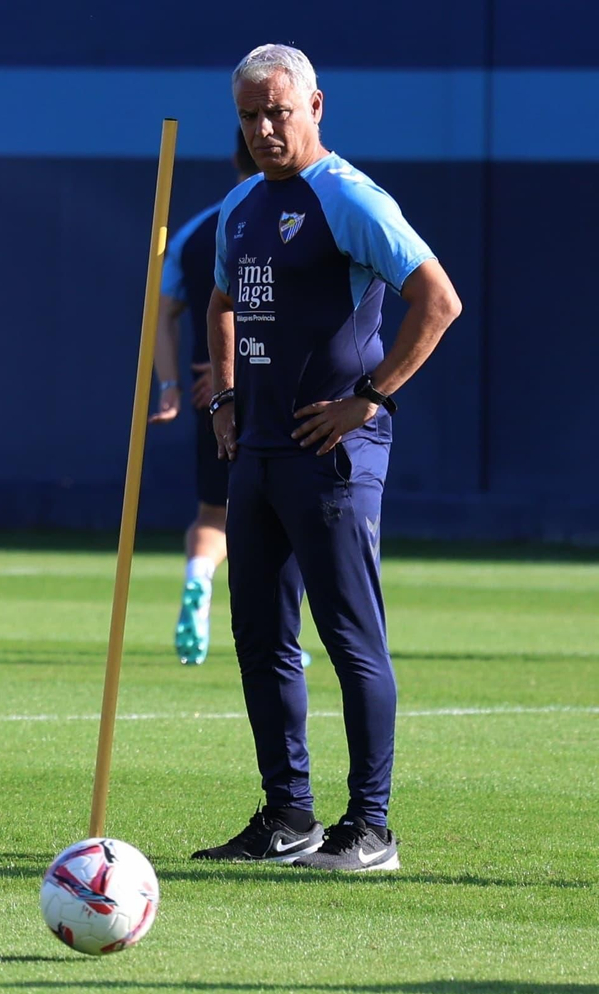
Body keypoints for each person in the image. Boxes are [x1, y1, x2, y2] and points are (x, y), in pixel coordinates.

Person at [191, 44, 461, 871]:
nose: (266, 127)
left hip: (335, 451)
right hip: (261, 452)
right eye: (250, 114)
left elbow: (437, 299)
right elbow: (222, 303)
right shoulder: (240, 206)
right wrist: (223, 400)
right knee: (261, 635)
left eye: (279, 110)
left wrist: (371, 399)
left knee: (350, 639)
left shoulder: (347, 198)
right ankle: (287, 816)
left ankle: (370, 827)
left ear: (315, 105)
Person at [149, 131, 259, 666]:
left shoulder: (195, 231)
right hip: (278, 397)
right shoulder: (298, 217)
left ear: (231, 157)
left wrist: (171, 389)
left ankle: (199, 579)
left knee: (214, 512)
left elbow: (160, 318)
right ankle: (273, 632)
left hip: (213, 395)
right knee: (282, 518)